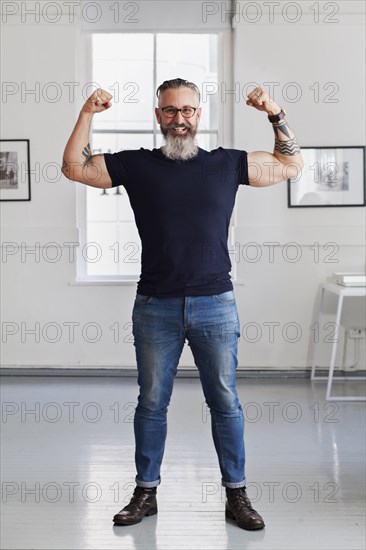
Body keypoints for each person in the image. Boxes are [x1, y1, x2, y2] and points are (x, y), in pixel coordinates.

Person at [62, 78, 304, 531]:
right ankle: (145, 492)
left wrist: (274, 111)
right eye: (171, 111)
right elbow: (73, 167)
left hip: (216, 303)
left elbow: (290, 165)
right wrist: (87, 113)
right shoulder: (135, 165)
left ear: (198, 116)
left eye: (188, 111)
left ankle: (237, 495)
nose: (180, 120)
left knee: (226, 402)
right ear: (158, 116)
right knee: (151, 403)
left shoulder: (227, 164)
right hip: (156, 305)